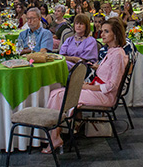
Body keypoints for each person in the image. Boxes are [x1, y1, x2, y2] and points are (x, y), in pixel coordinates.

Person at [43, 18, 128, 154]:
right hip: (99, 91)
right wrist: (88, 84)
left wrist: (88, 87)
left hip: (105, 96)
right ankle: (56, 133)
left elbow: (112, 86)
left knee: (59, 95)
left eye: (106, 32)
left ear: (116, 34)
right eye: (102, 31)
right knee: (55, 93)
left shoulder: (117, 54)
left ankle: (55, 136)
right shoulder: (112, 51)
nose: (102, 35)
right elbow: (103, 78)